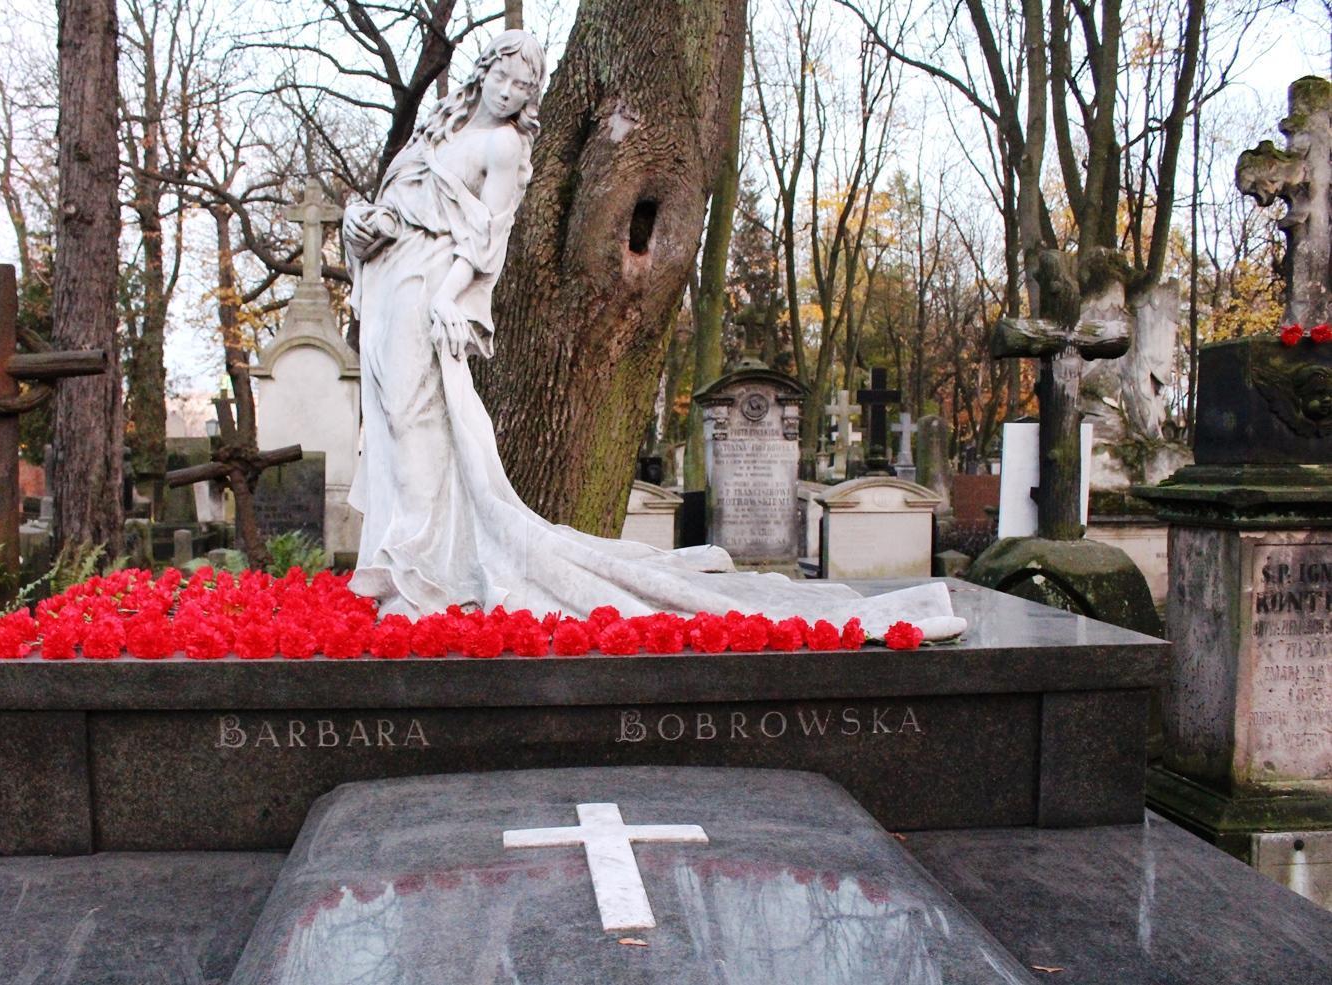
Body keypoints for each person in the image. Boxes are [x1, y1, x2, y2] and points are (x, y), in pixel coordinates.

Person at [342, 31, 964, 640]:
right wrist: (357, 225)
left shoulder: (504, 147)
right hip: (391, 281)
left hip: (431, 291)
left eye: (522, 87)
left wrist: (451, 296)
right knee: (399, 422)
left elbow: (486, 239)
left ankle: (419, 572)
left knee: (413, 415)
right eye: (502, 78)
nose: (507, 93)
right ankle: (408, 566)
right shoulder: (438, 131)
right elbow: (390, 209)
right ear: (483, 73)